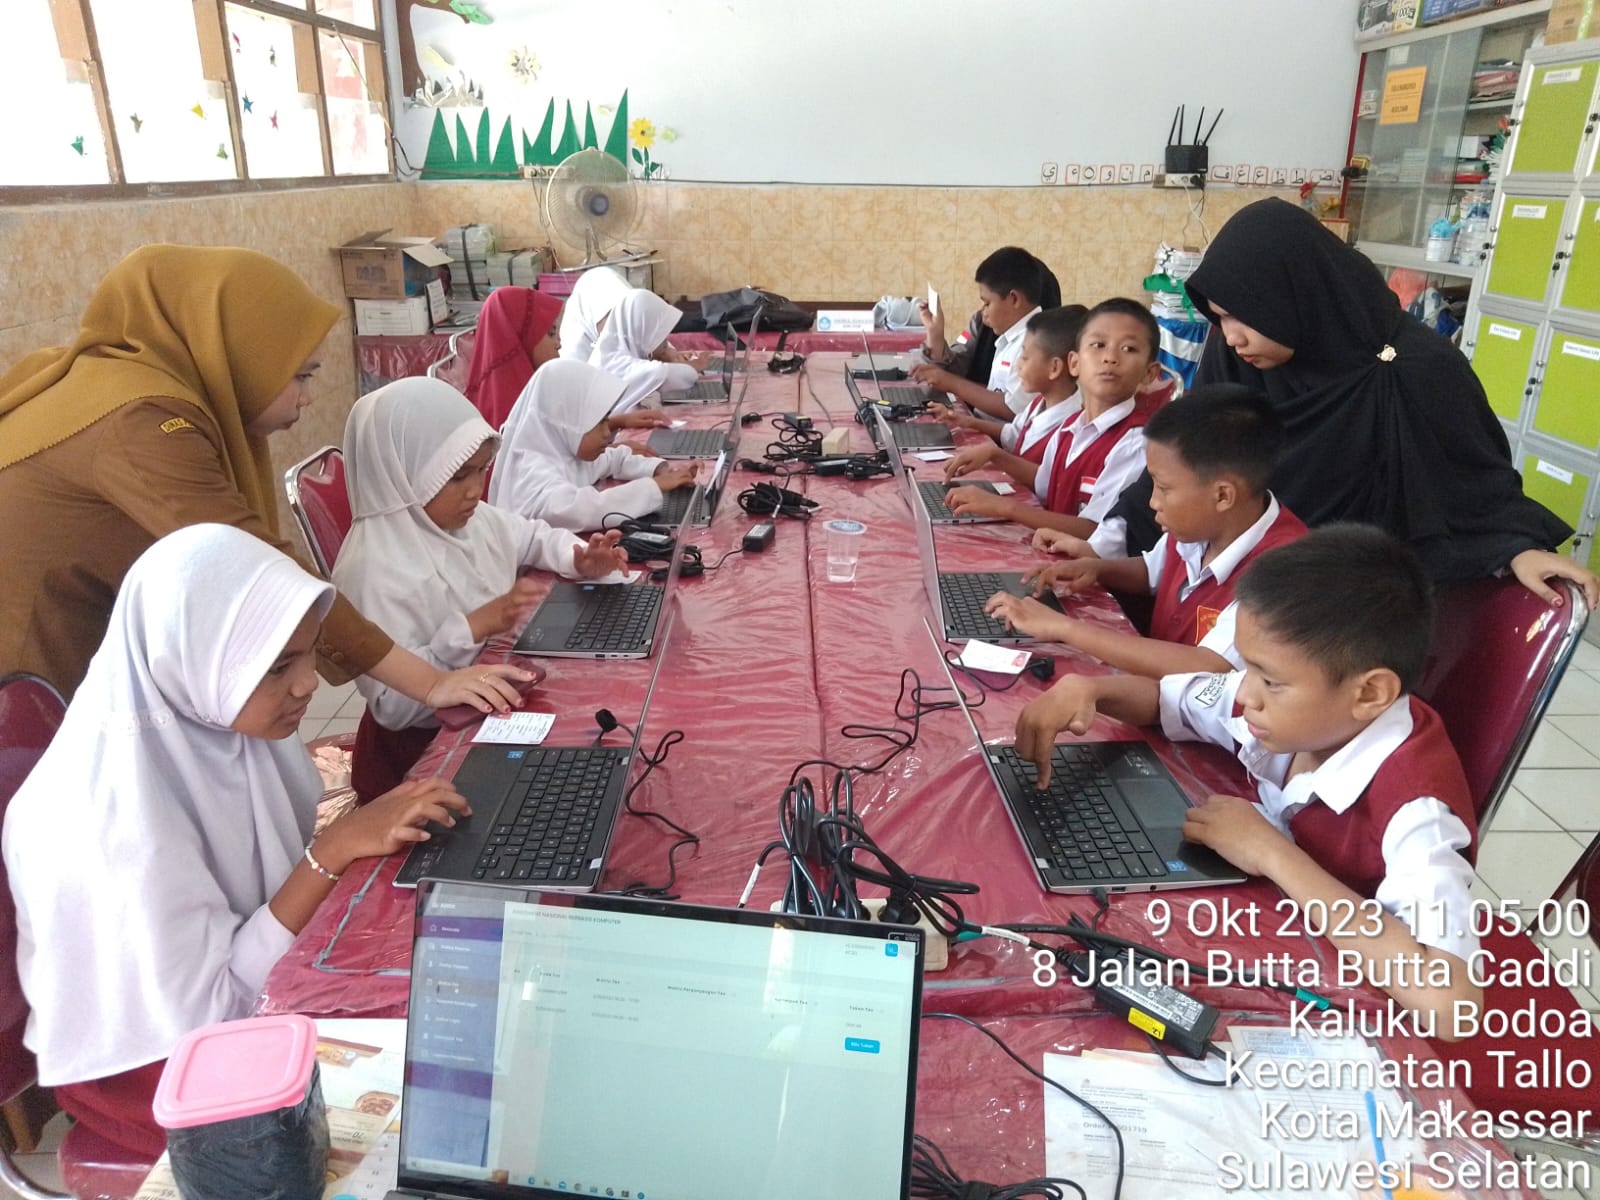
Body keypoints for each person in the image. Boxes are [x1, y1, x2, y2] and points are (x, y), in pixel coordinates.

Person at [3, 524, 477, 1156]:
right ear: (190, 660)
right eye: (277, 667)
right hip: (156, 1072)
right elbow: (215, 1017)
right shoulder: (111, 825)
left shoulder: (215, 730)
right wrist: (332, 851)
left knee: (450, 982)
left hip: (223, 1003)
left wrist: (337, 851)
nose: (307, 684)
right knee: (441, 1085)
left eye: (307, 654)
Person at [0, 244, 527, 714]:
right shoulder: (140, 419)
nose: (308, 397)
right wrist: (431, 682)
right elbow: (256, 566)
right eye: (300, 375)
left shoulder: (129, 386)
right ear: (231, 353)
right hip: (36, 672)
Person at [1014, 526, 1481, 1032]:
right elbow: (1170, 700)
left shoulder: (1417, 812)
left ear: (1369, 694)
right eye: (1249, 671)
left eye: (1269, 681)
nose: (1246, 694)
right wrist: (1091, 690)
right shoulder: (1297, 708)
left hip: (1342, 1011)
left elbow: (1451, 1006)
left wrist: (1271, 853)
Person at [1104, 197, 1598, 609]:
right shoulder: (1235, 357)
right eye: (1219, 318)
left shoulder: (1416, 370)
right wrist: (1109, 536)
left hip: (1349, 616)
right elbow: (1185, 461)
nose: (1231, 336)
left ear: (1295, 295)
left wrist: (1516, 549)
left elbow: (1475, 489)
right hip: (1227, 592)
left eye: (1242, 316)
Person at [331, 378, 629, 799]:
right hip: (416, 760)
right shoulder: (371, 569)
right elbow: (394, 708)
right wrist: (470, 628)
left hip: (487, 708)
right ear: (403, 474)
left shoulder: (473, 519)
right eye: (458, 476)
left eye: (481, 470)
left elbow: (532, 536)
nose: (476, 489)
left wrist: (577, 557)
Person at [985, 384, 1307, 677]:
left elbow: (1208, 666)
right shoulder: (1205, 526)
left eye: (1163, 488)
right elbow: (1153, 570)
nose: (1152, 502)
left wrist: (1064, 628)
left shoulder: (1283, 574)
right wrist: (1096, 568)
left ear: (1223, 495)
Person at [945, 298, 1160, 535]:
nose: (1110, 357)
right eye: (1098, 345)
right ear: (1075, 363)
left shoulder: (1135, 444)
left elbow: (1095, 531)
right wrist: (995, 455)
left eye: (1128, 349)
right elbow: (1045, 482)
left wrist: (1005, 507)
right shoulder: (1071, 427)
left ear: (1149, 374)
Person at [487, 360, 697, 530]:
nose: (607, 432)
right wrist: (655, 486)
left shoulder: (562, 451)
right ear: (567, 424)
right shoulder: (531, 471)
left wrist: (659, 469)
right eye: (599, 423)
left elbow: (612, 458)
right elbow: (584, 509)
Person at [934, 306, 1086, 493]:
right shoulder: (1039, 403)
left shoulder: (1072, 426)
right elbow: (1014, 434)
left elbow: (1050, 481)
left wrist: (996, 456)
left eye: (1025, 357)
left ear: (1054, 368)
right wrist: (968, 422)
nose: (1018, 365)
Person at [910, 247, 1061, 420]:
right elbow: (960, 357)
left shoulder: (1035, 341)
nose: (983, 311)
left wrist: (951, 383)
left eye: (987, 303)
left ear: (1014, 299)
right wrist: (935, 334)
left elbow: (1011, 408)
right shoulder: (993, 329)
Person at [588, 290, 705, 412]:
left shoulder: (613, 349)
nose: (666, 341)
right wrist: (690, 366)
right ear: (643, 333)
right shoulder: (616, 364)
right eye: (659, 334)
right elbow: (686, 375)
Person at [557, 266, 631, 363]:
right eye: (609, 316)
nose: (618, 327)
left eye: (624, 317)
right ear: (591, 314)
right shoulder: (570, 363)